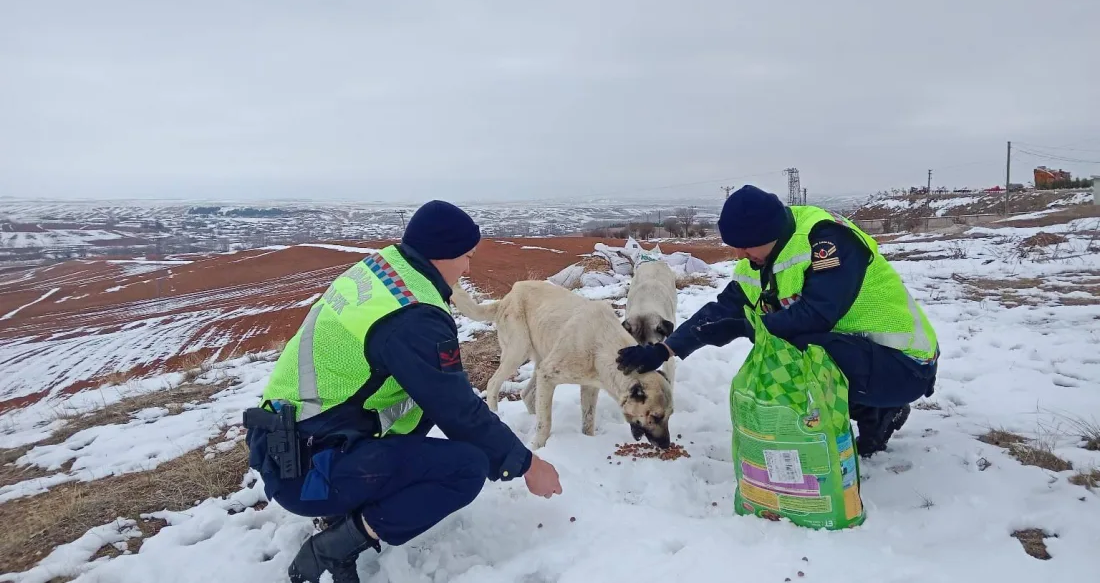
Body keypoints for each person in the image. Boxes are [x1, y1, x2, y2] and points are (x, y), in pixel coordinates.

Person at [245, 200, 562, 583]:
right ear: (442, 254)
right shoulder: (413, 317)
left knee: (424, 400)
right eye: (465, 256)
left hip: (292, 442)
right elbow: (457, 408)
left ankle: (346, 505)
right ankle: (337, 543)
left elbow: (442, 395)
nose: (468, 267)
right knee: (466, 468)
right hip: (309, 471)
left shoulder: (386, 271)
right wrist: (526, 464)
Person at [616, 185, 939, 458]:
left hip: (905, 365)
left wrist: (751, 327)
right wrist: (664, 350)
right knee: (783, 354)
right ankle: (874, 412)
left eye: (745, 244)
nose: (741, 254)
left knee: (796, 350)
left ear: (767, 232)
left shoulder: (827, 241)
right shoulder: (760, 262)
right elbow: (721, 311)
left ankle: (879, 410)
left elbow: (818, 313)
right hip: (861, 356)